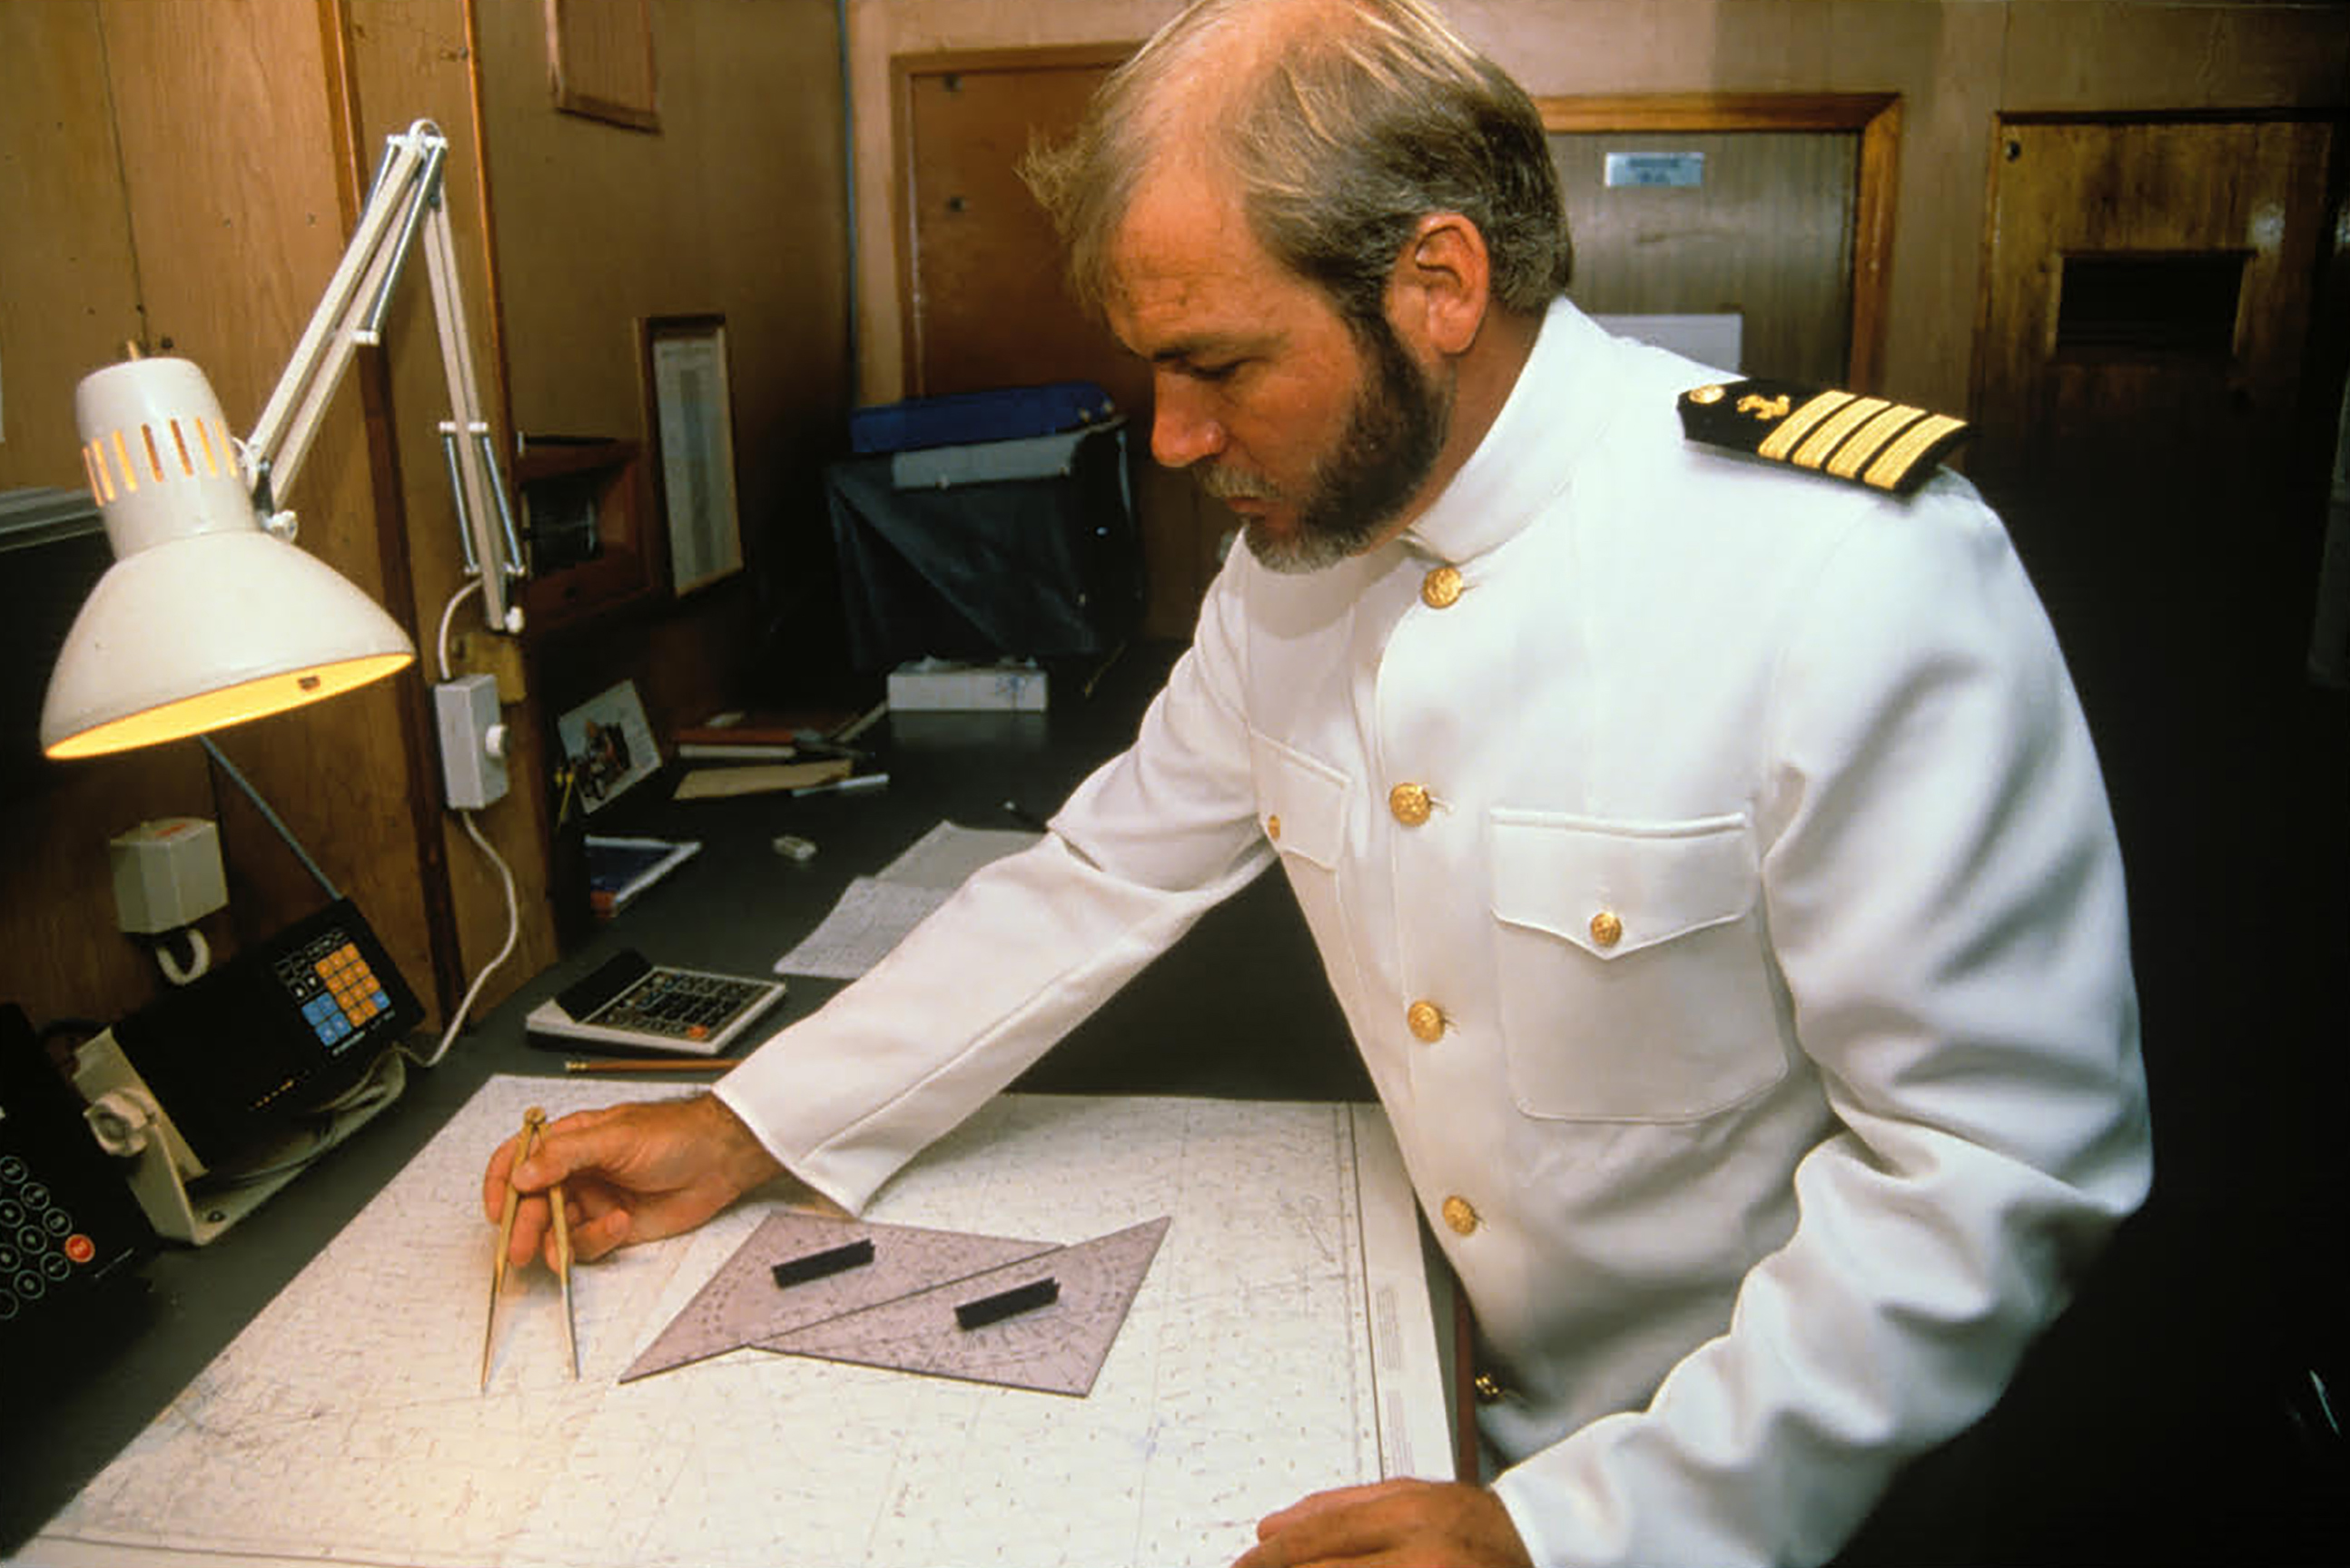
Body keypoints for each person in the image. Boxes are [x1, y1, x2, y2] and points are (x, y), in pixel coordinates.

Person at [483, 2, 2151, 1562]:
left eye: (1216, 364)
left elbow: (1990, 1167)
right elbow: (1102, 877)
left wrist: (1586, 1526)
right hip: (1440, 1386)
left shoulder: (1847, 574)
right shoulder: (1295, 569)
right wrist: (748, 1123)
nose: (1171, 440)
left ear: (1437, 283)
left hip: (1757, 1485)